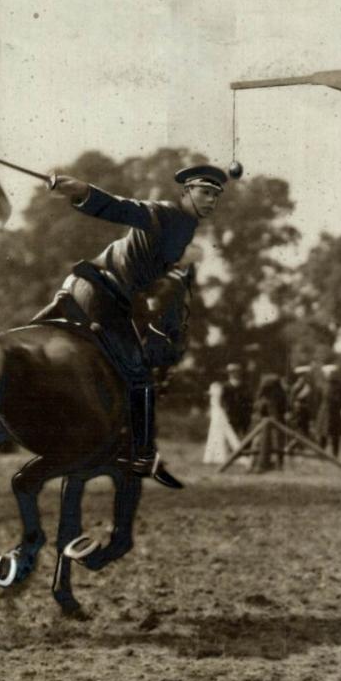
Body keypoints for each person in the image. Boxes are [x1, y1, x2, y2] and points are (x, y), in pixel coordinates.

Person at [44, 163, 227, 488]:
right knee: (140, 376)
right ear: (186, 192)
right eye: (205, 192)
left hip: (88, 288)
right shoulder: (164, 214)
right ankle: (142, 457)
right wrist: (80, 190)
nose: (211, 200)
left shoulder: (185, 229)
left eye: (215, 195)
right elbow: (121, 208)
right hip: (100, 290)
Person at [221, 363, 252, 440]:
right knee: (231, 433)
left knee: (245, 433)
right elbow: (223, 401)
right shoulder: (225, 386)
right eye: (232, 372)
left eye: (237, 371)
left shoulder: (244, 385)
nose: (235, 374)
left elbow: (249, 399)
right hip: (231, 414)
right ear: (229, 373)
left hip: (243, 413)